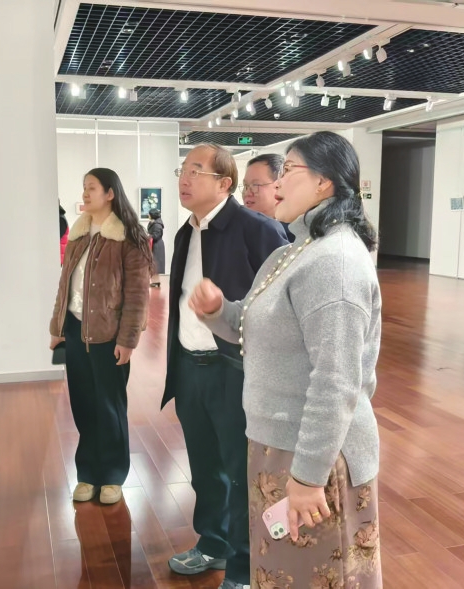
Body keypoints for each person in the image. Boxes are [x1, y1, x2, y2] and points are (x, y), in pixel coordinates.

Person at [189, 131, 382, 588]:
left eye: (289, 171)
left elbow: (336, 381)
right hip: (279, 444)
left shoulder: (334, 261)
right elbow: (252, 326)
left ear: (324, 182)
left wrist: (309, 478)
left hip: (314, 455)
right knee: (281, 572)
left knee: (317, 576)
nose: (276, 185)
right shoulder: (295, 250)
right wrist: (218, 311)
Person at [162, 144, 288, 589]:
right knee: (203, 467)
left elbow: (283, 306)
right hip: (189, 367)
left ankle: (242, 569)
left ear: (224, 183)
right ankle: (212, 542)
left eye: (196, 170)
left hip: (234, 371)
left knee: (240, 472)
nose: (185, 178)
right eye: (183, 169)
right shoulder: (186, 232)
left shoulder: (258, 230)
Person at [49, 168, 152, 506]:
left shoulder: (128, 238)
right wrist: (57, 329)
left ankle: (112, 475)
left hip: (109, 337)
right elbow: (65, 287)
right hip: (76, 332)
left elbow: (137, 296)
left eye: (91, 187)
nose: (85, 192)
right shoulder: (79, 234)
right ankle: (88, 473)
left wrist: (128, 340)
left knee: (109, 407)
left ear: (110, 193)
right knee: (83, 406)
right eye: (84, 187)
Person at [243, 154, 295, 242]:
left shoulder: (294, 234)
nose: (247, 193)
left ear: (279, 186)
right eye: (246, 186)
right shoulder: (238, 229)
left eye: (255, 185)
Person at [147, 209, 165, 287]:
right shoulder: (154, 222)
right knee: (154, 264)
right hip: (154, 244)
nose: (148, 215)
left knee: (156, 264)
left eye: (149, 214)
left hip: (157, 246)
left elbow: (156, 235)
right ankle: (155, 281)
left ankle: (156, 282)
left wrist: (148, 236)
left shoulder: (157, 224)